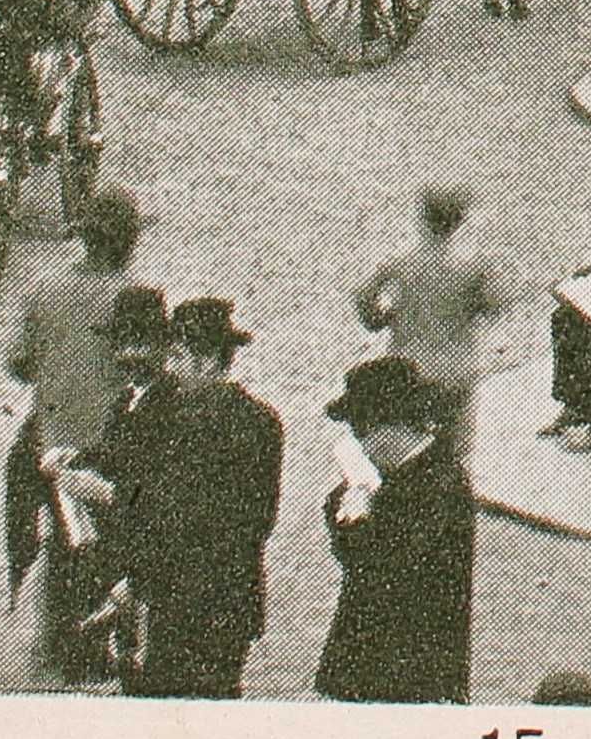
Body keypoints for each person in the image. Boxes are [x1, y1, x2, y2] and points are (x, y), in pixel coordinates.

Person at [98, 295, 285, 699]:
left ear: (204, 360)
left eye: (179, 357)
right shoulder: (264, 421)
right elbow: (261, 518)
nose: (171, 369)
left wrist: (133, 581)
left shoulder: (183, 421)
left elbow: (170, 519)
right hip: (236, 597)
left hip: (178, 599)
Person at [6, 188, 148, 678]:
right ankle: (91, 648)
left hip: (50, 444)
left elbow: (18, 364)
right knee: (107, 549)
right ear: (128, 242)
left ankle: (54, 644)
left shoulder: (44, 292)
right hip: (110, 450)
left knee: (60, 544)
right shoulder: (136, 297)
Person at [313, 358, 474, 704]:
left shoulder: (439, 484)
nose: (358, 445)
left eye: (360, 433)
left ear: (387, 428)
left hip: (409, 675)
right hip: (370, 665)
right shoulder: (393, 477)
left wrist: (359, 521)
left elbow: (391, 564)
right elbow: (338, 518)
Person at [355, 184, 509, 470]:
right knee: (455, 452)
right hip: (455, 367)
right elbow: (496, 304)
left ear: (423, 217)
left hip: (407, 366)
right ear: (459, 220)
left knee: (406, 446)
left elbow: (362, 296)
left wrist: (381, 319)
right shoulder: (472, 263)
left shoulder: (402, 259)